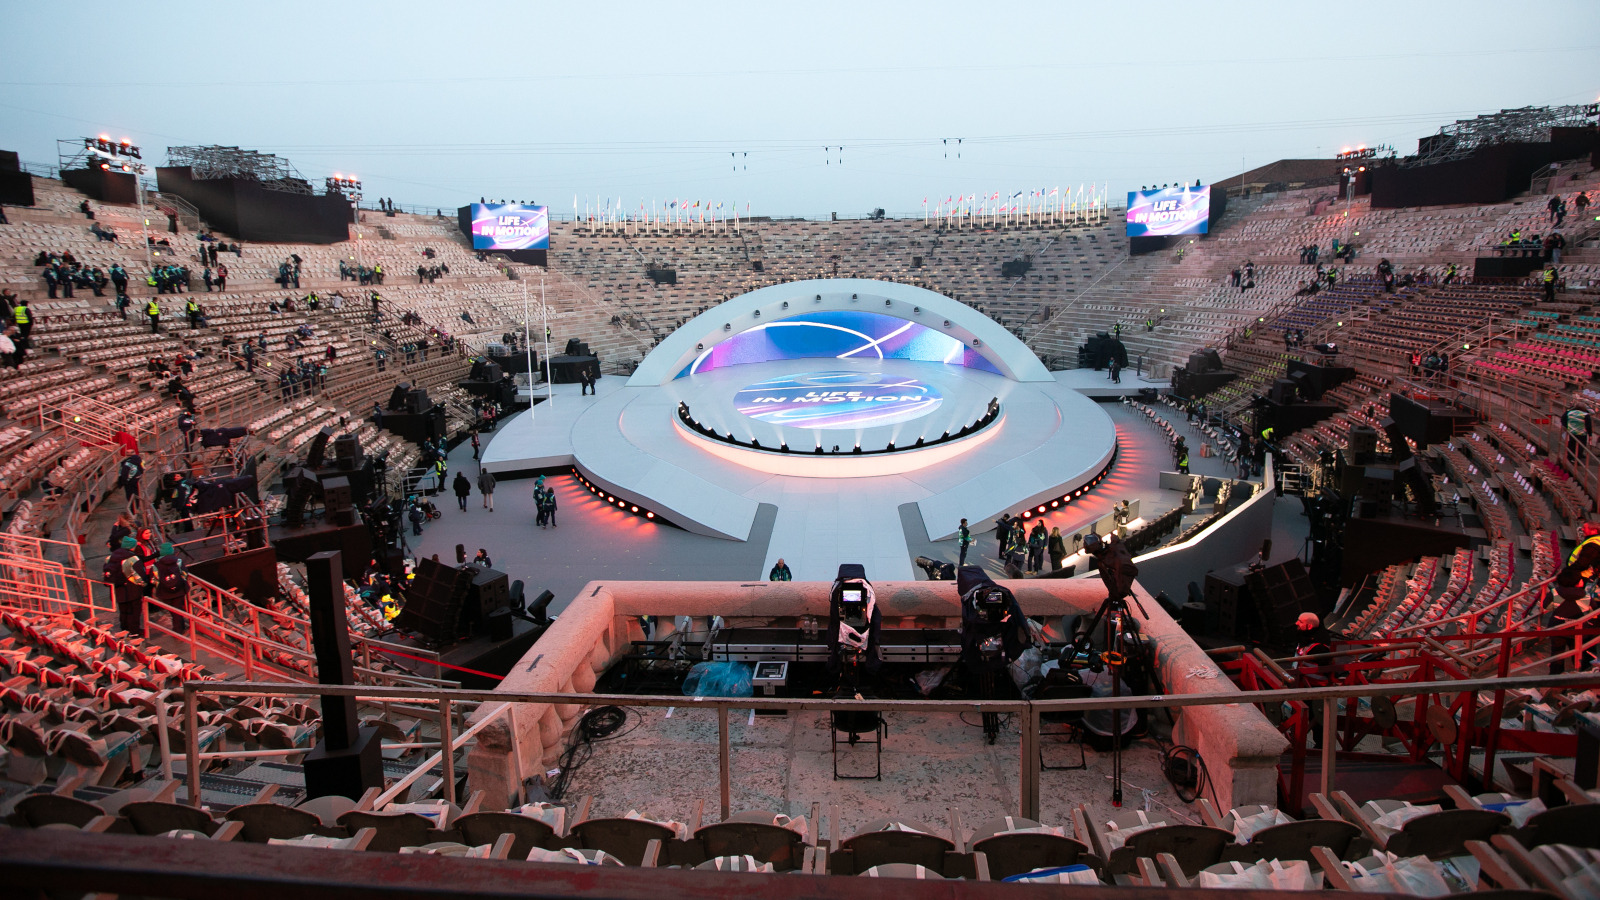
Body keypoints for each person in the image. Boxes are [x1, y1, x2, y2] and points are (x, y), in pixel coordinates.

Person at [1552, 522, 1600, 674]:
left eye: (1585, 527)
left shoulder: (1558, 594)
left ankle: (1557, 678)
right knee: (1577, 651)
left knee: (1559, 655)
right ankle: (1579, 674)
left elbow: (1548, 606)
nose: (1582, 529)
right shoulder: (1585, 598)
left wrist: (1568, 573)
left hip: (1560, 628)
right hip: (1576, 629)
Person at [105, 536, 148, 636]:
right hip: (133, 590)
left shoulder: (110, 558)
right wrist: (144, 585)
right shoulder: (133, 559)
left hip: (118, 589)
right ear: (132, 547)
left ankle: (124, 630)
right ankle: (134, 631)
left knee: (123, 610)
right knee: (134, 611)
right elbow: (141, 575)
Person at [152, 544, 190, 635]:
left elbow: (154, 579)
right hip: (179, 590)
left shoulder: (156, 564)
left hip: (164, 592)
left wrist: (161, 586)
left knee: (172, 611)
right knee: (178, 609)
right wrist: (180, 582)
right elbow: (184, 573)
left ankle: (178, 629)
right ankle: (180, 628)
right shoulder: (178, 561)